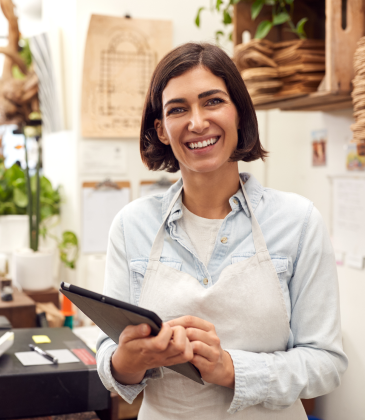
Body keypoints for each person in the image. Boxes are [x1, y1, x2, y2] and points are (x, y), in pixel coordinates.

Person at [96, 42, 347, 419]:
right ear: (162, 130)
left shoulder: (298, 221)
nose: (197, 122)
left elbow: (326, 363)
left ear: (239, 115)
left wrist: (232, 369)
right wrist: (125, 362)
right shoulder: (132, 226)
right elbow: (108, 358)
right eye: (178, 109)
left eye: (212, 101)